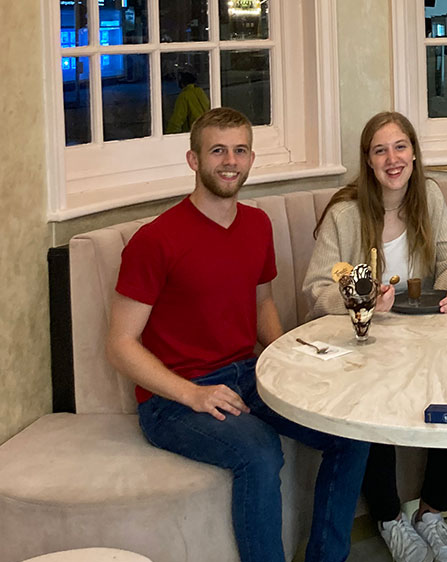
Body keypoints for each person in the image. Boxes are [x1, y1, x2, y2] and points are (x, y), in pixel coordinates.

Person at [106, 107, 370, 562]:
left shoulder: (257, 225)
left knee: (351, 431)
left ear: (251, 159)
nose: (230, 160)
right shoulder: (155, 240)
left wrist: (291, 354)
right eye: (217, 150)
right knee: (260, 450)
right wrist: (192, 395)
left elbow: (260, 303)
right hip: (174, 401)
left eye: (240, 150)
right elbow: (120, 344)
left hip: (249, 375)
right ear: (194, 160)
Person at [302, 111, 447, 562]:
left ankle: (431, 511)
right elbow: (316, 288)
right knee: (370, 399)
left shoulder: (429, 197)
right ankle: (389, 519)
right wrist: (359, 300)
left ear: (414, 152)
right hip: (365, 342)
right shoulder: (345, 213)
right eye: (380, 150)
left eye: (400, 146)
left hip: (422, 338)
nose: (392, 158)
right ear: (367, 160)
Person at [165, 68, 210, 134]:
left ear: (182, 83)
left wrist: (169, 135)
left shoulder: (184, 96)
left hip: (194, 132)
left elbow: (177, 119)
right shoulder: (200, 91)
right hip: (207, 129)